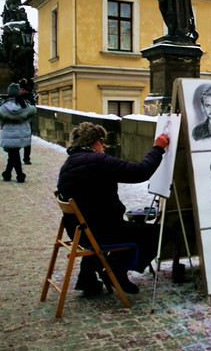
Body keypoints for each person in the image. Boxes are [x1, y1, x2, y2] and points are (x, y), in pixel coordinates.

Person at [56, 122, 170, 295]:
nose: (104, 145)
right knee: (160, 233)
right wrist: (158, 149)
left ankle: (87, 279)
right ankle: (117, 271)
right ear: (92, 141)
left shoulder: (69, 163)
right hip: (100, 232)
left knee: (106, 227)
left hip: (79, 231)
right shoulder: (97, 161)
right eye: (101, 141)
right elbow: (140, 172)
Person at [0, 82, 36, 183]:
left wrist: (5, 126)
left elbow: (1, 121)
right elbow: (29, 118)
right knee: (13, 154)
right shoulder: (25, 104)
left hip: (9, 133)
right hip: (22, 133)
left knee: (13, 154)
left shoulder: (3, 106)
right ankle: (7, 173)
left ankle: (20, 175)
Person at [18, 79, 36, 164]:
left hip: (27, 123)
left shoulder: (29, 99)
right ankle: (15, 157)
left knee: (27, 142)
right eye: (20, 89)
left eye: (23, 89)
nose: (21, 91)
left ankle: (26, 158)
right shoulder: (15, 98)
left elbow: (33, 110)